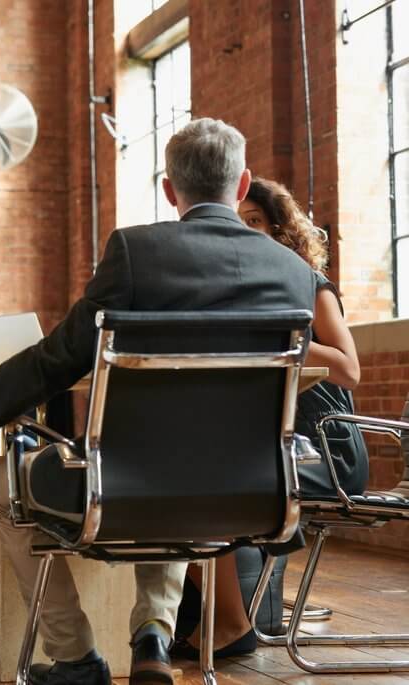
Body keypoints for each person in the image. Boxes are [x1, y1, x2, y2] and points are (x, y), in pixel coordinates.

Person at [0, 118, 319, 685]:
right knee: (178, 470)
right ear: (243, 184)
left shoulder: (135, 252)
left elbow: (57, 359)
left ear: (170, 190)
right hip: (257, 492)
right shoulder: (296, 273)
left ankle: (75, 655)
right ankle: (153, 630)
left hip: (127, 485)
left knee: (7, 487)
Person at [168, 176, 367, 661]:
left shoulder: (307, 282)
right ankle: (219, 620)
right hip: (268, 444)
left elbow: (349, 369)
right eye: (238, 224)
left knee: (202, 479)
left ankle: (230, 624)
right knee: (169, 471)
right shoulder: (236, 295)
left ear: (281, 231)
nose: (246, 234)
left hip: (327, 451)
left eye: (255, 222)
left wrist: (281, 329)